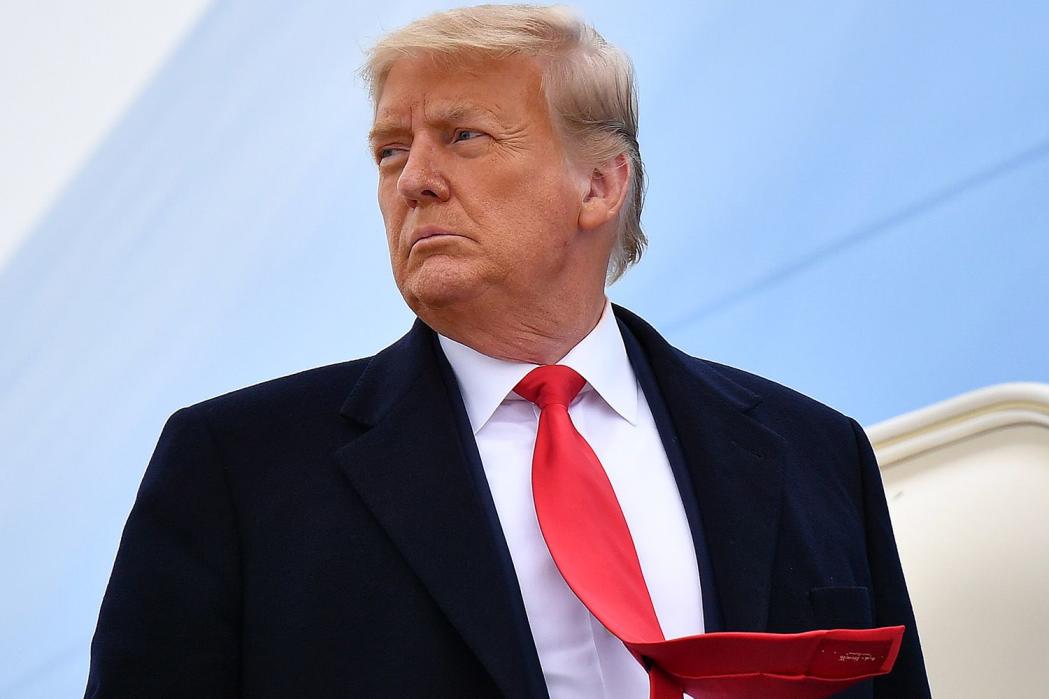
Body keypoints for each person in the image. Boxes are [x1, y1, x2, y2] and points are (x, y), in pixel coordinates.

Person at [86, 5, 930, 698]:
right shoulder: (238, 470)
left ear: (599, 184)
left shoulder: (816, 451)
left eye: (463, 137)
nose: (412, 178)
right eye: (389, 150)